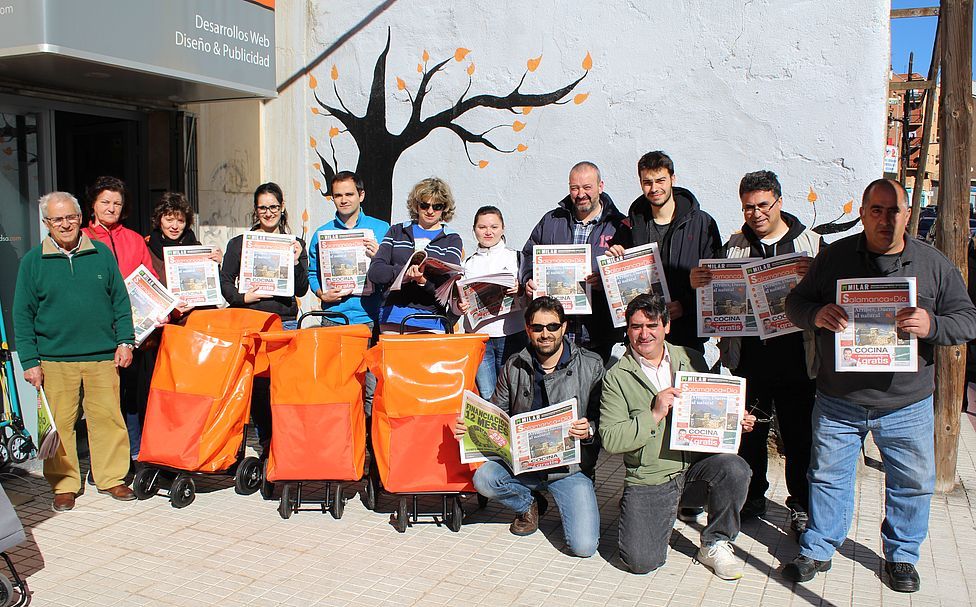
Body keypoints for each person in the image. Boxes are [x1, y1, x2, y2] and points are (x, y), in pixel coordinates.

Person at [783, 179, 976, 593]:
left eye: (894, 211)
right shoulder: (834, 258)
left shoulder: (933, 264)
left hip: (906, 404)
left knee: (910, 482)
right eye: (876, 210)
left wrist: (933, 325)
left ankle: (902, 556)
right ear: (863, 213)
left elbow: (967, 319)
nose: (885, 219)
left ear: (909, 215)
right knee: (828, 477)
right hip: (839, 401)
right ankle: (818, 548)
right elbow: (794, 303)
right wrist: (817, 314)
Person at [689, 170, 822, 532]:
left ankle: (800, 503)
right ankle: (753, 496)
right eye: (748, 207)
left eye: (763, 205)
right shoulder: (733, 247)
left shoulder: (809, 244)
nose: (756, 213)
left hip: (798, 358)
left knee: (798, 438)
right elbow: (712, 294)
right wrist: (698, 282)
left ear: (779, 202)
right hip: (750, 359)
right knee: (750, 434)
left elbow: (825, 299)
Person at [600, 294, 755, 579]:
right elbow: (610, 438)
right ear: (627, 330)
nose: (644, 334)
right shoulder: (616, 375)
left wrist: (735, 421)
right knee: (641, 562)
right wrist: (655, 414)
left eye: (651, 325)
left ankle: (715, 542)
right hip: (652, 475)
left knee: (735, 469)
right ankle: (640, 506)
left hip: (695, 468)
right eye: (636, 327)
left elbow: (712, 406)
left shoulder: (690, 358)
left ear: (666, 326)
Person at [13, 191, 136, 511]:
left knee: (108, 419)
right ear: (46, 224)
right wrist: (29, 361)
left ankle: (112, 478)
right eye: (57, 219)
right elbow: (22, 315)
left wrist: (125, 340)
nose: (65, 224)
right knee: (58, 426)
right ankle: (63, 484)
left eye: (71, 217)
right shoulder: (32, 262)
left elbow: (120, 301)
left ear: (80, 218)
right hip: (54, 360)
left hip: (102, 356)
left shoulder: (102, 254)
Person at [453, 297, 603, 557]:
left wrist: (588, 428)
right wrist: (470, 427)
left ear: (564, 327)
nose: (545, 334)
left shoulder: (590, 364)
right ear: (527, 329)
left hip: (570, 469)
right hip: (523, 464)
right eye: (537, 328)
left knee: (584, 547)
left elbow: (605, 419)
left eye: (552, 327)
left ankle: (560, 497)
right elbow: (495, 411)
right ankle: (528, 503)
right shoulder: (515, 364)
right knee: (484, 479)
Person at [219, 182, 310, 449]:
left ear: (282, 208)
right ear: (255, 210)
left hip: (285, 322)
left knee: (284, 385)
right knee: (258, 386)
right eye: (262, 208)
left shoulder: (296, 244)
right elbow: (224, 280)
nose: (268, 213)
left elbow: (302, 288)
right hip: (252, 322)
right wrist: (241, 298)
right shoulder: (239, 244)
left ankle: (286, 442)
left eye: (273, 207)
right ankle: (267, 442)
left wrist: (295, 262)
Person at [608, 151, 722, 352]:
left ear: (673, 179)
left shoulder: (702, 223)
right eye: (647, 182)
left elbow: (716, 280)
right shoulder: (629, 226)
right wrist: (614, 259)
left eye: (660, 180)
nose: (654, 188)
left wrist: (686, 306)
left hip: (686, 337)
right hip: (643, 338)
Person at [81, 176, 158, 464]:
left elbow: (151, 281)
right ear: (92, 204)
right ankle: (104, 459)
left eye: (117, 203)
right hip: (97, 333)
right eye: (105, 202)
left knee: (132, 397)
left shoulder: (135, 240)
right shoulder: (82, 238)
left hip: (134, 333)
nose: (111, 208)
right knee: (102, 400)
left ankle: (134, 454)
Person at [519, 161, 625, 363]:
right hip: (556, 331)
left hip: (597, 333)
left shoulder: (619, 225)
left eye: (587, 187)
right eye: (574, 188)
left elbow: (630, 276)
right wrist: (529, 279)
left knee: (594, 392)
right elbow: (528, 254)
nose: (580, 194)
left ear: (600, 186)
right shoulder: (551, 221)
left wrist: (607, 281)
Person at [367, 177, 463, 333]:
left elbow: (447, 286)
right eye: (424, 205)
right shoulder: (396, 231)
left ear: (444, 208)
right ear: (416, 205)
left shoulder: (451, 238)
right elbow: (376, 272)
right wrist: (403, 273)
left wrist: (422, 280)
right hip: (393, 316)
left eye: (437, 206)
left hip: (431, 319)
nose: (430, 211)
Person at [458, 205, 527, 399]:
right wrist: (460, 306)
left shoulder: (517, 258)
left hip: (512, 333)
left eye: (494, 227)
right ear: (474, 230)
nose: (488, 232)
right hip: (479, 338)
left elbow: (532, 294)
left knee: (514, 393)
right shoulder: (467, 265)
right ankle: (494, 431)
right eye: (482, 227)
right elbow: (457, 302)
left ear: (503, 229)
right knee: (488, 394)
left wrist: (520, 290)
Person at [308, 171, 390, 329]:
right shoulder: (321, 233)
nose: (344, 200)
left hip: (371, 316)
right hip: (333, 316)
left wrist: (380, 258)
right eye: (338, 195)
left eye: (349, 194)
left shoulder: (382, 228)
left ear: (361, 195)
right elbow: (312, 272)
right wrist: (321, 294)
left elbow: (392, 271)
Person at [146, 191, 223, 295]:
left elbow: (213, 287)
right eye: (169, 220)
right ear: (159, 220)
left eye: (180, 221)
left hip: (195, 308)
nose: (175, 226)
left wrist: (216, 265)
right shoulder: (147, 250)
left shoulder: (197, 248)